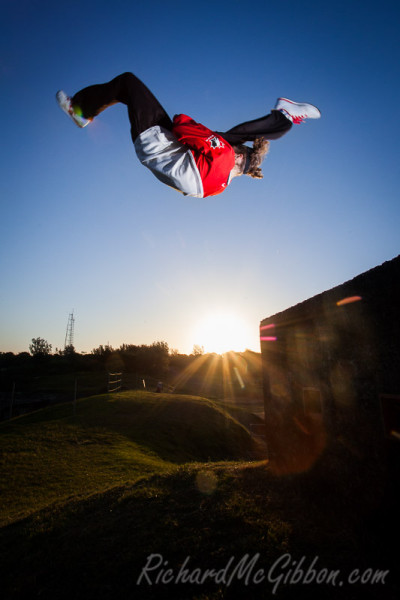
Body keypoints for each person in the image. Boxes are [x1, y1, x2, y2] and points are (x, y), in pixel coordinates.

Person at [56, 72, 320, 199]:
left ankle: (81, 112)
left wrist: (212, 136)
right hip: (149, 150)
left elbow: (181, 125)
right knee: (125, 92)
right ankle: (282, 119)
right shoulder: (220, 187)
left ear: (241, 155)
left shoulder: (225, 155)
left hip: (156, 136)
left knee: (127, 82)